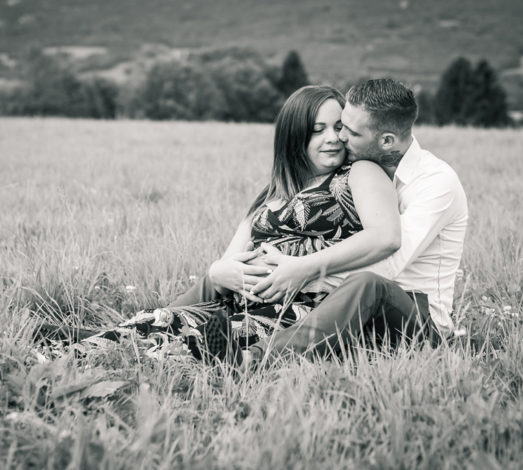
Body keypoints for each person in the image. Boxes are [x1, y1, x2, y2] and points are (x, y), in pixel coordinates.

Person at [117, 85, 402, 361]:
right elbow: (229, 260)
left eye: (338, 127)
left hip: (302, 301)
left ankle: (240, 359)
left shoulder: (358, 173)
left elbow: (383, 236)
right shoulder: (275, 191)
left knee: (197, 336)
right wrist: (221, 272)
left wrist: (299, 268)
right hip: (240, 296)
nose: (333, 138)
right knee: (168, 320)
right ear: (294, 136)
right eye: (317, 130)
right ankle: (114, 337)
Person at [234, 78, 469, 366]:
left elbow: (389, 264)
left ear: (386, 141)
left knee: (369, 284)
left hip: (415, 320)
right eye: (341, 124)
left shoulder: (436, 182)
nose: (340, 136)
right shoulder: (355, 173)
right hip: (349, 311)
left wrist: (297, 271)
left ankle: (253, 360)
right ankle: (170, 326)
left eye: (351, 131)